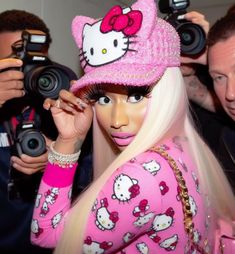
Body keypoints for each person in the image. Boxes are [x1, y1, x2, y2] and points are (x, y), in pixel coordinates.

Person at [31, 0, 235, 253]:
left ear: (168, 92)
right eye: (103, 98)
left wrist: (67, 145)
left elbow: (46, 234)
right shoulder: (183, 146)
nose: (117, 120)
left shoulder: (137, 179)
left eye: (137, 96)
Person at [0, 9, 78, 254]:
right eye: (17, 57)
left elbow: (96, 167)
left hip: (54, 240)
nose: (28, 67)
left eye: (36, 57)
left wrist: (59, 160)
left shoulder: (62, 84)